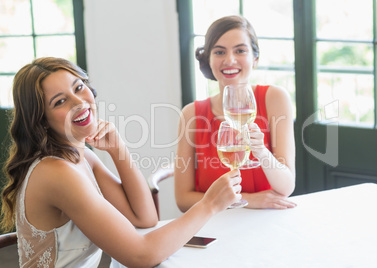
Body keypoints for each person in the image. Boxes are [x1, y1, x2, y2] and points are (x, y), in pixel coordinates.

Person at [0, 57, 241, 267]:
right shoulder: (57, 172)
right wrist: (209, 204)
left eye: (79, 87)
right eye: (60, 101)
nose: (79, 102)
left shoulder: (82, 157)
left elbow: (144, 218)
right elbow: (141, 256)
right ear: (41, 120)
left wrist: (118, 149)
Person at [175, 15, 297, 212]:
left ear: (255, 58)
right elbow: (183, 199)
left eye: (240, 50)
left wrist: (261, 152)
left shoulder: (275, 98)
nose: (229, 60)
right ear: (209, 59)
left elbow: (286, 187)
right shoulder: (191, 114)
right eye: (219, 52)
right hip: (215, 225)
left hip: (266, 221)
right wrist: (247, 200)